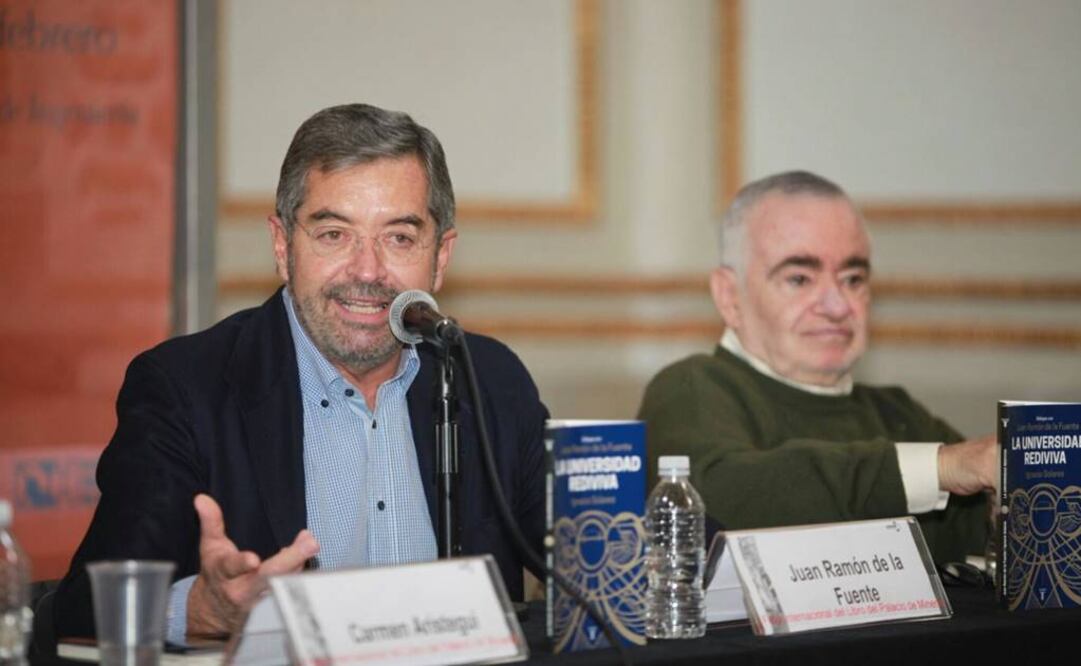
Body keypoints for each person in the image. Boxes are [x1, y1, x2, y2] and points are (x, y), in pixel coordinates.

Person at [48, 103, 548, 642]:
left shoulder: (490, 382)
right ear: (284, 248)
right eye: (334, 234)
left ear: (440, 257)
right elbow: (79, 610)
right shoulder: (186, 388)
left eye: (399, 238)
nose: (367, 271)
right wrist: (200, 611)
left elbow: (589, 584)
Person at [637, 171, 996, 563]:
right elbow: (720, 500)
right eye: (800, 279)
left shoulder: (898, 414)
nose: (838, 306)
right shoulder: (693, 389)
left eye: (853, 278)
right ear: (729, 296)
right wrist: (936, 470)